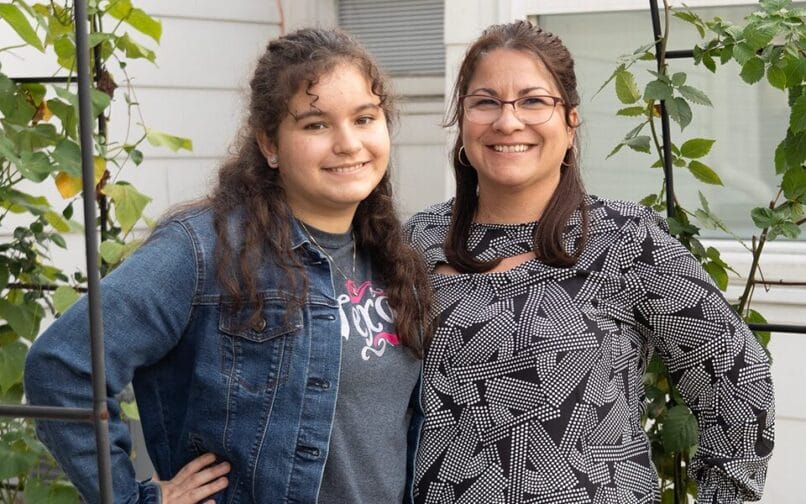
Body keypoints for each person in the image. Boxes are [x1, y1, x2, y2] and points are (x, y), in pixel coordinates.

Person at [24, 27, 430, 504]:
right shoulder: (205, 250)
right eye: (316, 125)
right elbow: (63, 367)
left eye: (365, 118)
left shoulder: (395, 256)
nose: (348, 143)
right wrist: (134, 500)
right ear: (270, 144)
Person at [405, 20, 774, 503]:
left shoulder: (625, 239)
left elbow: (739, 381)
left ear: (571, 119)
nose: (508, 121)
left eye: (534, 101)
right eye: (485, 101)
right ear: (463, 118)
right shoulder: (417, 239)